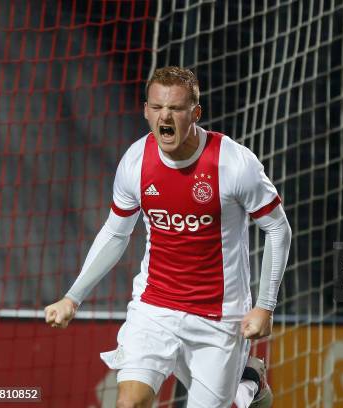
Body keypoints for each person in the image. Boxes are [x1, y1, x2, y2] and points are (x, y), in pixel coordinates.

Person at [44, 66, 291, 408]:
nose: (166, 116)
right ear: (146, 110)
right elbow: (116, 232)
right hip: (155, 306)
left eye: (175, 108)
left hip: (218, 316)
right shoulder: (135, 162)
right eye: (157, 107)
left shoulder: (233, 163)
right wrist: (72, 297)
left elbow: (278, 229)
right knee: (129, 402)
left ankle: (249, 381)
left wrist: (265, 306)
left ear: (195, 113)